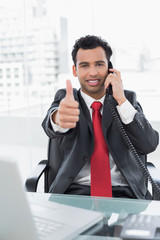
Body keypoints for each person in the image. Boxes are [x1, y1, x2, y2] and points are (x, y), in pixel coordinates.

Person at [42, 35, 159, 199]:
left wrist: (121, 101)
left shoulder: (127, 99)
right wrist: (58, 119)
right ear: (75, 70)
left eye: (99, 64)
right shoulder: (66, 98)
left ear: (109, 68)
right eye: (84, 65)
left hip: (125, 194)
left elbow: (149, 144)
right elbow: (51, 122)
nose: (93, 72)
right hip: (74, 193)